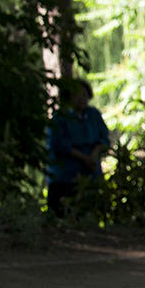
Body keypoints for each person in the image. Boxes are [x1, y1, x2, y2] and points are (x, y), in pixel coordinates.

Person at [46, 78, 110, 215]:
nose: (81, 99)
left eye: (85, 95)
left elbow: (104, 140)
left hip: (91, 175)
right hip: (65, 177)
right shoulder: (60, 117)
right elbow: (59, 145)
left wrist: (94, 154)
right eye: (77, 95)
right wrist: (83, 158)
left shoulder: (93, 115)